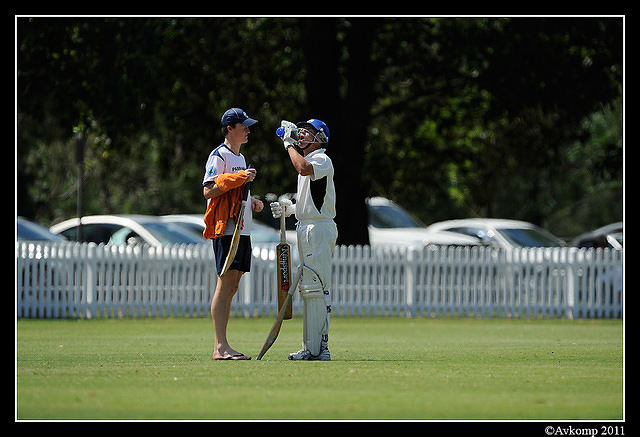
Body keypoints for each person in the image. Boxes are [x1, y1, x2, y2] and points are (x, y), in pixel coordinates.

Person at [271, 119, 337, 361]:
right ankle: (313, 348)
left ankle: (321, 347)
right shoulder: (310, 161)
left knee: (317, 286)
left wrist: (288, 143)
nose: (301, 136)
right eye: (300, 133)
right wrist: (289, 210)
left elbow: (302, 168)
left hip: (318, 229)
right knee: (310, 288)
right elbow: (310, 203)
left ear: (320, 138)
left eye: (307, 133)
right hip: (308, 226)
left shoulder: (321, 158)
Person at [202, 108, 264, 360]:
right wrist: (239, 178)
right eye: (243, 126)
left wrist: (252, 202)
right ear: (230, 128)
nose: (248, 130)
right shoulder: (219, 155)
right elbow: (209, 190)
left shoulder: (240, 156)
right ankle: (220, 347)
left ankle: (224, 345)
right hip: (226, 229)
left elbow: (235, 192)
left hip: (242, 228)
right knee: (224, 284)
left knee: (233, 285)